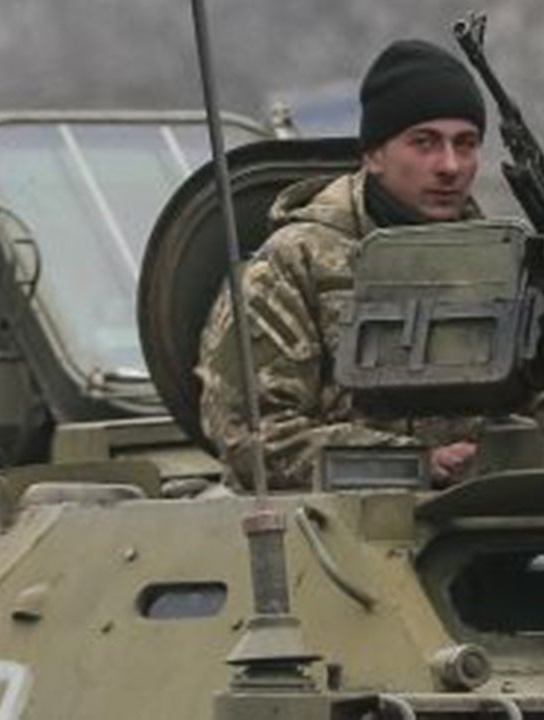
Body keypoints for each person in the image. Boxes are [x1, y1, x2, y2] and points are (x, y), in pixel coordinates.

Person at [196, 38, 490, 492]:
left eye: (465, 144)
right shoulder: (290, 268)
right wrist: (414, 464)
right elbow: (253, 439)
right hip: (332, 534)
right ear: (374, 154)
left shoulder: (500, 265)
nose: (449, 166)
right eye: (424, 143)